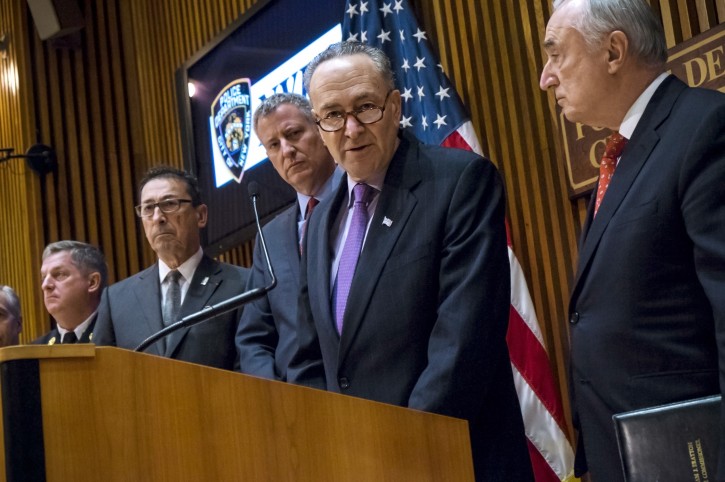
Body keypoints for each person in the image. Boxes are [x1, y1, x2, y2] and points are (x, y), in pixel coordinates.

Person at [288, 41, 533, 481]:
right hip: (355, 464)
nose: (351, 129)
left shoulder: (460, 182)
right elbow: (309, 355)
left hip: (447, 456)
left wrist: (401, 447)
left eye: (366, 107)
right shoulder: (320, 218)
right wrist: (326, 444)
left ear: (396, 105)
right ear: (319, 124)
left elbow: (464, 339)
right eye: (332, 115)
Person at [539, 1, 725, 481]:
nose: (546, 78)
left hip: (694, 458)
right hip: (621, 458)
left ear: (614, 51)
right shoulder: (620, 156)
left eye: (556, 54)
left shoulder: (704, 128)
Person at [93, 166, 250, 370]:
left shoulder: (241, 284)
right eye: (148, 208)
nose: (158, 217)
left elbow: (249, 368)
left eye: (169, 204)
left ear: (200, 215)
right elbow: (103, 377)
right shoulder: (116, 300)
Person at [236, 93, 341, 380]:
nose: (287, 150)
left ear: (319, 130)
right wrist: (275, 398)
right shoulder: (269, 238)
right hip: (295, 408)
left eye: (293, 134)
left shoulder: (361, 199)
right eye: (273, 145)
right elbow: (254, 338)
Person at [34, 241, 107, 344]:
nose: (45, 285)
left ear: (92, 282)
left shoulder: (119, 340)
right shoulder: (34, 353)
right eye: (43, 277)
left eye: (59, 274)